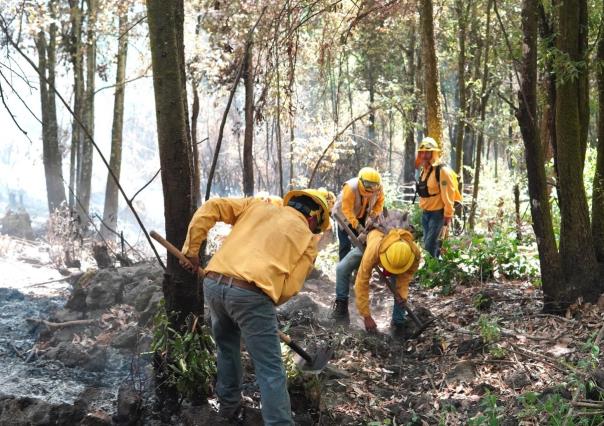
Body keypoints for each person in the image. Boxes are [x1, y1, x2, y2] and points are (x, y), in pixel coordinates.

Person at [180, 189, 330, 425]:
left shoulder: (256, 205)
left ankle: (228, 408)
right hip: (251, 295)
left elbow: (211, 207)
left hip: (213, 283)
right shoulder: (308, 239)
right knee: (270, 369)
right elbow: (289, 288)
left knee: (227, 348)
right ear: (313, 220)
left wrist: (192, 250)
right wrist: (262, 304)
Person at [354, 225, 421, 334]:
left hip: (394, 258)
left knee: (401, 296)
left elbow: (406, 276)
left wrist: (402, 294)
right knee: (343, 268)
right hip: (371, 243)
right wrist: (366, 316)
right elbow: (361, 282)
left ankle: (398, 322)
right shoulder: (372, 251)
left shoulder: (414, 253)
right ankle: (341, 306)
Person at [415, 137, 458, 258]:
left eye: (427, 152)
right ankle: (434, 271)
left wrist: (448, 215)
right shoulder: (424, 171)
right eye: (422, 152)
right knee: (431, 245)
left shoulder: (442, 171)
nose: (424, 155)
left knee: (429, 245)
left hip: (438, 214)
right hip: (426, 214)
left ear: (434, 153)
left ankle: (431, 273)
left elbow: (448, 194)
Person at [333, 167, 384, 261]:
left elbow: (379, 203)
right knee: (345, 244)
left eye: (374, 185)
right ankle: (344, 271)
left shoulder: (379, 188)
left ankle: (359, 269)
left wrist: (372, 215)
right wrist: (357, 226)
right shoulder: (350, 187)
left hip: (362, 215)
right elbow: (347, 210)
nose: (372, 189)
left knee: (362, 243)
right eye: (369, 185)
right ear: (361, 181)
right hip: (344, 216)